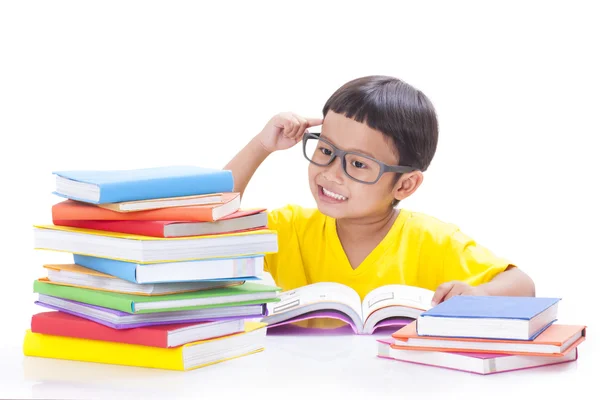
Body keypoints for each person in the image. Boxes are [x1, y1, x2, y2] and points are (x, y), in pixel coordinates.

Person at [224, 75, 535, 328]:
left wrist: (479, 294)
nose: (332, 174)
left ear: (405, 184)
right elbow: (204, 228)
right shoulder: (290, 228)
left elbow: (522, 286)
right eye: (326, 151)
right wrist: (261, 146)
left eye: (358, 164)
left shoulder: (431, 240)